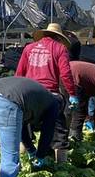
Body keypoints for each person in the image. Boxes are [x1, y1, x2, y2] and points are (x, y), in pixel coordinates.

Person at [0, 76, 60, 177]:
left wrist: (31, 149)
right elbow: (47, 132)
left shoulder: (39, 98)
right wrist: (40, 155)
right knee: (10, 157)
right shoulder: (54, 104)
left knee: (8, 144)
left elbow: (22, 126)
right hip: (7, 102)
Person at [16, 22, 80, 163]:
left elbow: (19, 73)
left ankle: (25, 154)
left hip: (28, 91)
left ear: (44, 34)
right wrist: (72, 94)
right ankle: (61, 162)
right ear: (59, 37)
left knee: (24, 123)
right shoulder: (60, 48)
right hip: (49, 93)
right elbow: (65, 74)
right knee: (58, 125)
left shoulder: (29, 48)